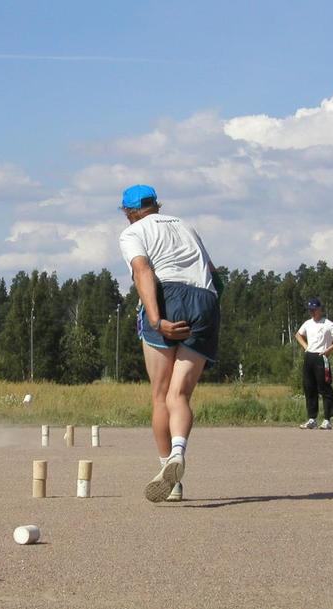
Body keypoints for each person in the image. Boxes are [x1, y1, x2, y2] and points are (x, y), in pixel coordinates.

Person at [117, 184, 221, 503]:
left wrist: (154, 318)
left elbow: (142, 270)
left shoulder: (133, 233)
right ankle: (179, 451)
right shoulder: (185, 225)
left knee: (161, 394)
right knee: (181, 394)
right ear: (157, 206)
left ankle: (169, 475)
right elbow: (215, 276)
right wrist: (207, 313)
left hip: (167, 296)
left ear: (129, 213)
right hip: (205, 300)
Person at [296, 298, 333, 430]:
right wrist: (305, 346)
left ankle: (327, 419)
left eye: (314, 310)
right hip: (309, 356)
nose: (312, 312)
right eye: (310, 310)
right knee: (309, 387)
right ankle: (312, 418)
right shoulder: (307, 323)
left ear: (319, 309)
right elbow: (298, 335)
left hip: (321, 356)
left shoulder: (327, 324)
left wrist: (330, 349)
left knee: (324, 388)